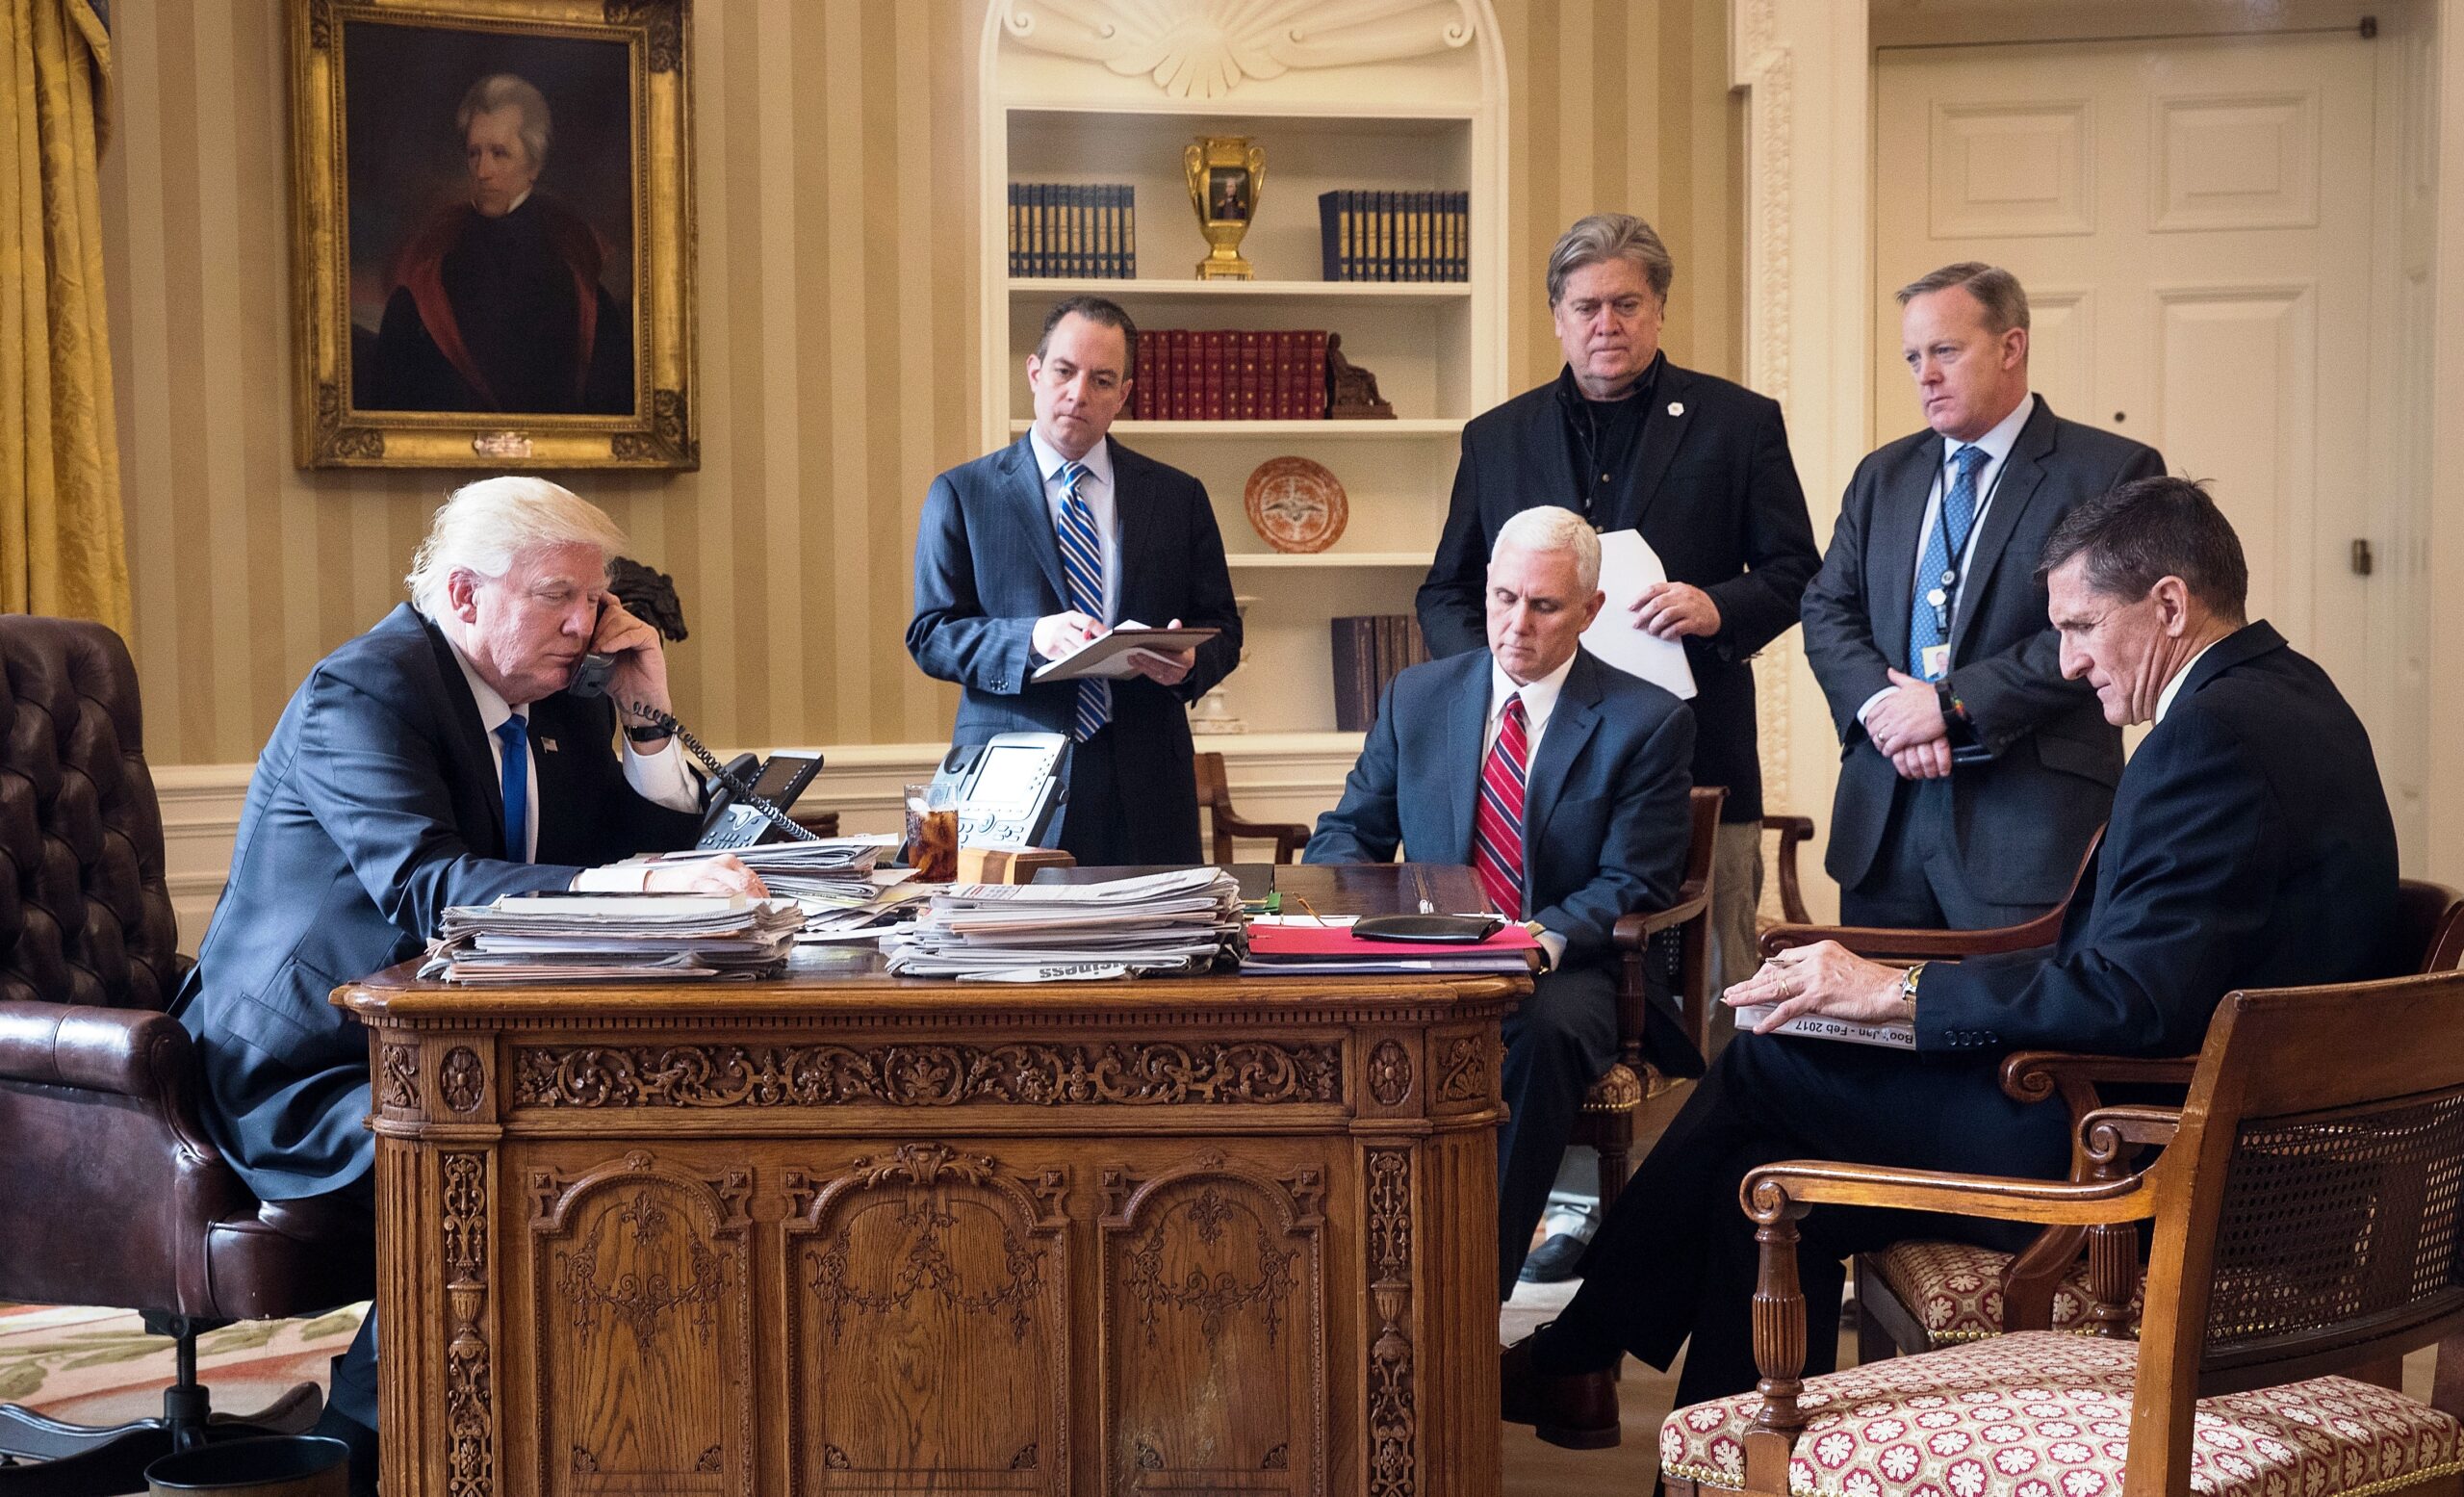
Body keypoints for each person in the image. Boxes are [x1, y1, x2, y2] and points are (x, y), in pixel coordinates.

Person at [1500, 477, 2399, 1449]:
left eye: (2080, 625)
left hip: (2162, 1159)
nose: (2066, 661)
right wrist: (1868, 1002)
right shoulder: (2283, 690)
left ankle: (1582, 1354)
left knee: (1764, 1069)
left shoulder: (2213, 734)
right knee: (1762, 1154)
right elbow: (2138, 968)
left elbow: (2135, 996)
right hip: (2177, 1113)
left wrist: (1893, 991)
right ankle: (1677, 1434)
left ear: (2169, 604)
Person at [172, 477, 761, 1494]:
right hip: (309, 1066)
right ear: (463, 592)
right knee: (503, 1164)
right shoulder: (362, 693)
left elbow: (623, 854)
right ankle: (387, 1449)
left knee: (622, 1147)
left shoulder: (558, 702)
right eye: (555, 597)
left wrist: (648, 714)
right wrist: (644, 881)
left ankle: (600, 1437)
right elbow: (429, 886)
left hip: (458, 1056)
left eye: (595, 599)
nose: (584, 625)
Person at [1415, 213, 1819, 1071]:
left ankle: (1711, 1170)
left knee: (1716, 975)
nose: (1609, 324)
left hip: (1697, 749)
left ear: (1660, 310)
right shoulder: (1498, 436)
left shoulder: (1738, 423)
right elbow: (1446, 588)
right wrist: (1499, 665)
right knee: (1552, 973)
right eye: (1588, 305)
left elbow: (1796, 573)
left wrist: (1717, 605)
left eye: (1628, 304)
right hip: (1532, 760)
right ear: (1557, 316)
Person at [1309, 506, 1697, 1295]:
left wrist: (1534, 941)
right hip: (1426, 953)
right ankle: (1344, 1279)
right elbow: (1351, 831)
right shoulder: (1418, 696)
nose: (1515, 624)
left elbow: (1632, 881)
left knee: (1538, 1029)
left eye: (1544, 605)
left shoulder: (1647, 721)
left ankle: (1462, 1290)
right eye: (1502, 597)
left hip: (1571, 965)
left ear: (1589, 611)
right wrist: (1319, 912)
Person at [1802, 262, 2165, 928]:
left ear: (2010, 346)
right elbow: (1826, 607)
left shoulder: (2111, 471)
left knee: (2011, 1028)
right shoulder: (1882, 476)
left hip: (2026, 827)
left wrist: (1949, 705)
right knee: (1871, 1028)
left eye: (1944, 350)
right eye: (1913, 357)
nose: (1925, 375)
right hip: (1885, 818)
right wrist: (1887, 705)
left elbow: (2103, 629)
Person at [909, 296, 1243, 865]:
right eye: (1064, 371)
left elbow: (1224, 629)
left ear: (1124, 395)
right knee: (1009, 949)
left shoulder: (1177, 496)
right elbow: (931, 635)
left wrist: (1190, 664)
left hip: (1148, 784)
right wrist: (1031, 639)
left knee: (1160, 947)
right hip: (1011, 782)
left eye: (1102, 379)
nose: (1078, 393)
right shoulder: (965, 493)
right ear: (1035, 373)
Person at [367, 73, 633, 414]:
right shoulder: (430, 269)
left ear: (533, 165)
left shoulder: (573, 273)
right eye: (474, 153)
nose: (482, 171)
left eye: (499, 153)